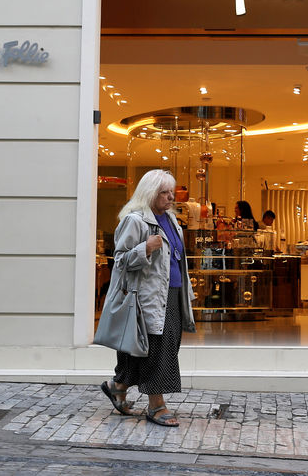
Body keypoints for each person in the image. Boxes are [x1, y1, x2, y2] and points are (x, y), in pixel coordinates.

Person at [100, 169, 196, 427]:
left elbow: (177, 261)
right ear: (149, 193)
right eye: (163, 192)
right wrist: (145, 248)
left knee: (153, 348)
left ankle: (117, 386)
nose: (170, 197)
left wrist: (186, 291)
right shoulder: (135, 221)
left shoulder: (173, 221)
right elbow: (119, 261)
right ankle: (156, 406)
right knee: (159, 350)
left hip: (172, 294)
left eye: (171, 192)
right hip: (148, 298)